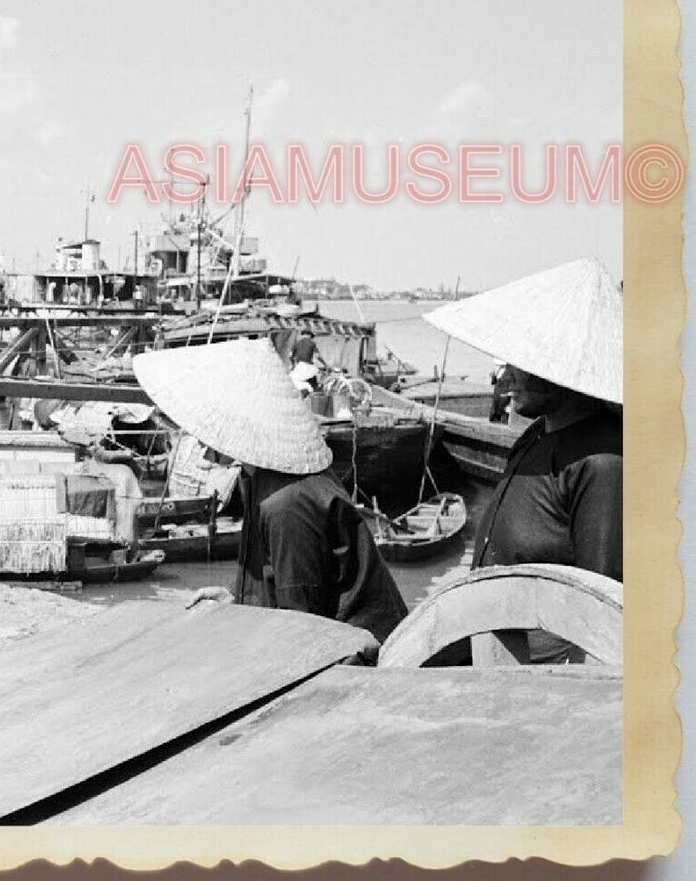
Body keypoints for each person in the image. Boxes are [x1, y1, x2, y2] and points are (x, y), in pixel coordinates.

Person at [134, 338, 408, 644]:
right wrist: (238, 602)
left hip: (361, 646)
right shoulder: (259, 480)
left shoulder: (286, 505)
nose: (200, 443)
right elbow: (283, 584)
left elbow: (301, 625)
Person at [425, 259, 622, 661]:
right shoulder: (535, 434)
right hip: (493, 651)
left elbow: (601, 613)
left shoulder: (602, 463)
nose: (503, 379)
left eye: (520, 364)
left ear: (560, 370)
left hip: (542, 677)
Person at [288, 329, 323, 394]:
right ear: (309, 335)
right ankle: (316, 390)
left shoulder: (297, 343)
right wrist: (325, 364)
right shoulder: (311, 343)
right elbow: (318, 356)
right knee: (319, 375)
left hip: (299, 366)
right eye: (311, 337)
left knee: (297, 381)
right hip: (307, 366)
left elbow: (290, 356)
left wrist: (292, 365)